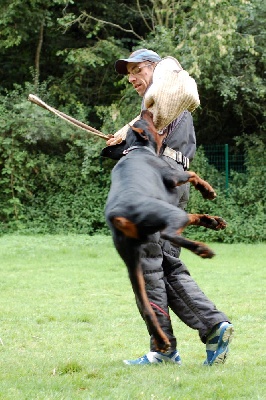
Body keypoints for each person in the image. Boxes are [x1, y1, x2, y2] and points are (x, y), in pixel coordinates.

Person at [106, 49, 233, 366]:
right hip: (170, 183)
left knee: (147, 265)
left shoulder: (163, 95)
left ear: (154, 69)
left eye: (137, 71)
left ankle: (166, 349)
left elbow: (150, 138)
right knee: (163, 264)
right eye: (129, 74)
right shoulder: (165, 100)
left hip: (161, 183)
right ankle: (212, 327)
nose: (133, 78)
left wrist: (129, 136)